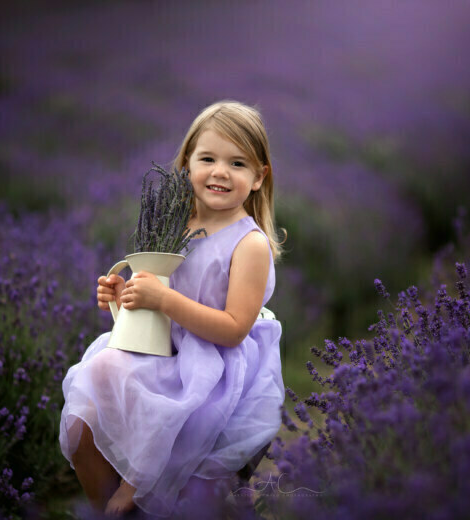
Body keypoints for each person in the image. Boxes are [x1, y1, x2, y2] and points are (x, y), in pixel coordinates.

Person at [59, 100, 286, 517]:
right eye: (208, 158)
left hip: (216, 367)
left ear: (258, 177)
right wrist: (127, 294)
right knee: (87, 399)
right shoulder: (175, 224)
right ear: (185, 164)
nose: (220, 171)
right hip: (166, 351)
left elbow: (235, 327)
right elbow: (161, 292)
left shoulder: (249, 244)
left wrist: (164, 299)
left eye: (237, 163)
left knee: (190, 438)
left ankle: (133, 491)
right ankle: (107, 505)